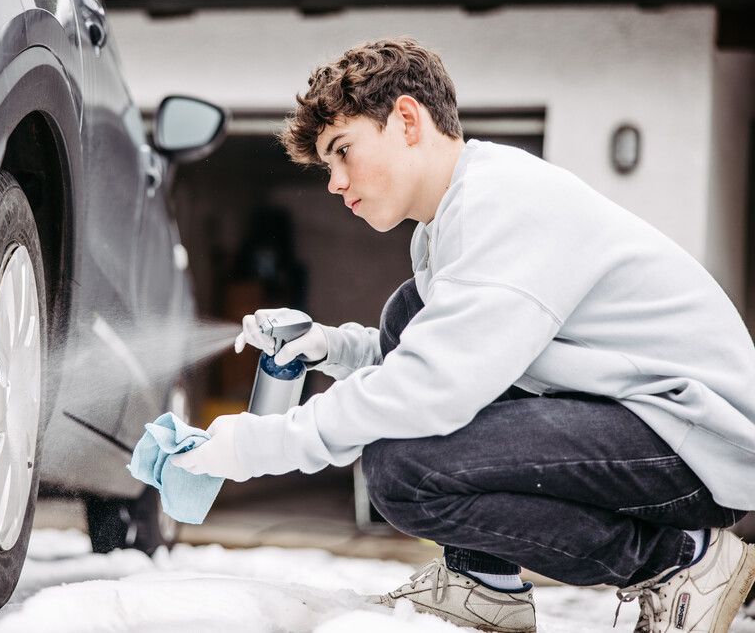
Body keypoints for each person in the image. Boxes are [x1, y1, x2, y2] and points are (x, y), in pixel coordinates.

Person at [172, 37, 755, 633]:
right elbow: (452, 349)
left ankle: (685, 559)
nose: (334, 181)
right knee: (409, 313)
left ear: (406, 119)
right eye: (328, 165)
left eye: (343, 152)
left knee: (404, 469)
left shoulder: (502, 204)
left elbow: (435, 385)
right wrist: (331, 346)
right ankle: (486, 586)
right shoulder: (449, 222)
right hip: (643, 418)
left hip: (697, 439)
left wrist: (258, 444)